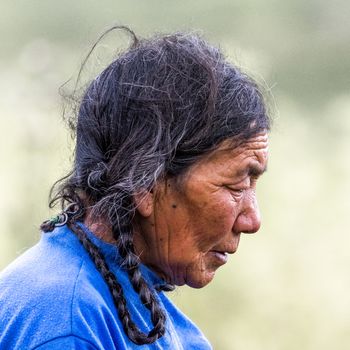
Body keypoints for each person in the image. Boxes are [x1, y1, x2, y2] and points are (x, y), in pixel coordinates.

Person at [0, 27, 270, 349]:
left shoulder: (156, 320)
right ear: (145, 182)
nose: (252, 221)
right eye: (236, 184)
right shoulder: (67, 322)